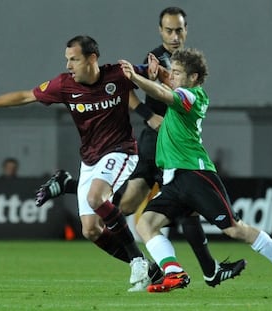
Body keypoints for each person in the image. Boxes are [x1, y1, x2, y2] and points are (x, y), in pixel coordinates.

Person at [36, 7, 246, 289]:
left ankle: (210, 270)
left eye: (179, 30)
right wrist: (150, 116)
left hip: (175, 144)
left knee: (176, 207)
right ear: (161, 31)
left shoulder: (185, 61)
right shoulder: (156, 59)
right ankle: (74, 186)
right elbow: (126, 91)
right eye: (169, 30)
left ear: (186, 30)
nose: (174, 35)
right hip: (154, 139)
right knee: (129, 203)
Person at [0, 35, 163, 291]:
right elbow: (23, 96)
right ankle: (149, 269)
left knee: (97, 198)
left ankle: (139, 261)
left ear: (92, 58)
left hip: (122, 151)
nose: (68, 65)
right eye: (67, 60)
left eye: (74, 59)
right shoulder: (64, 85)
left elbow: (150, 72)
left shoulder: (118, 74)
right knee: (91, 231)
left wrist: (157, 71)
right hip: (90, 158)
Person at [118, 48, 272, 294]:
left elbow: (163, 92)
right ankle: (174, 272)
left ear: (193, 77)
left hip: (195, 175)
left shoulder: (192, 96)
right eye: (173, 72)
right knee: (146, 224)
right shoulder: (183, 89)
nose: (174, 76)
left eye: (179, 73)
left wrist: (136, 79)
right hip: (173, 179)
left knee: (234, 229)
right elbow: (167, 83)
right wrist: (160, 72)